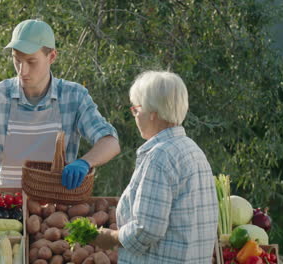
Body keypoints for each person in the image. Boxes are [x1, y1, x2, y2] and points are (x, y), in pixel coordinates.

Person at [0, 19, 120, 189]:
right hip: (5, 206)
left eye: (31, 61)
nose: (23, 70)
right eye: (17, 60)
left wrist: (85, 162)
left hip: (55, 210)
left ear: (52, 57)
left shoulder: (74, 96)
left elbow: (110, 142)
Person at [91, 71, 218, 263]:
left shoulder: (160, 157)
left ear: (152, 113)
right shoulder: (194, 151)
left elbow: (147, 229)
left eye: (136, 109)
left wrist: (111, 237)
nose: (134, 116)